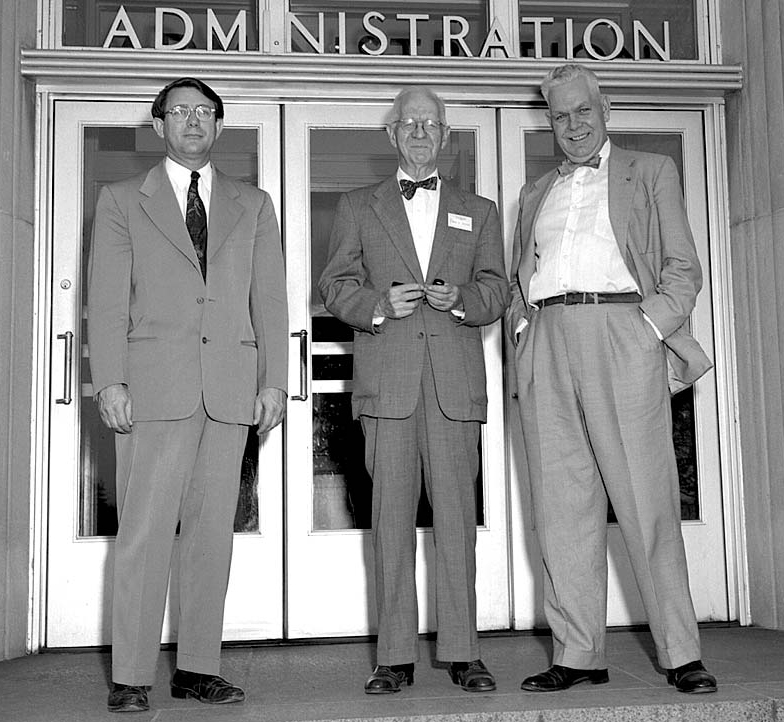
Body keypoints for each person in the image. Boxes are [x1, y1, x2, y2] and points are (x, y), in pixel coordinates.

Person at [506, 63, 718, 695]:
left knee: (646, 503)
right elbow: (521, 276)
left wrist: (647, 328)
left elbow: (682, 266)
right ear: (548, 121)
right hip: (548, 339)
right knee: (562, 509)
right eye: (560, 115)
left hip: (622, 332)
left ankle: (681, 652)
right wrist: (523, 331)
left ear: (605, 113)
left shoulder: (649, 172)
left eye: (583, 112)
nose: (572, 126)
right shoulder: (534, 192)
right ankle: (578, 654)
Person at [88, 77, 288, 713]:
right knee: (144, 534)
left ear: (220, 126)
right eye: (181, 113)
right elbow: (109, 298)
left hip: (229, 391)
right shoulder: (122, 200)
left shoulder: (253, 204)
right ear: (158, 124)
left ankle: (199, 667)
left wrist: (276, 381)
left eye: (206, 113)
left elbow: (271, 300)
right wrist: (110, 379)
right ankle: (131, 674)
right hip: (154, 389)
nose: (194, 122)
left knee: (211, 536)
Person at [319, 87, 509, 694]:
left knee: (456, 522)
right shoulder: (356, 206)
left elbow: (498, 290)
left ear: (446, 137)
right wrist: (376, 306)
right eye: (410, 123)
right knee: (391, 520)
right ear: (392, 134)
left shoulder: (478, 210)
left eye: (432, 124)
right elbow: (335, 285)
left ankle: (464, 651)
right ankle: (394, 655)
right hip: (389, 386)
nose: (421, 132)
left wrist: (464, 304)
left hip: (455, 387)